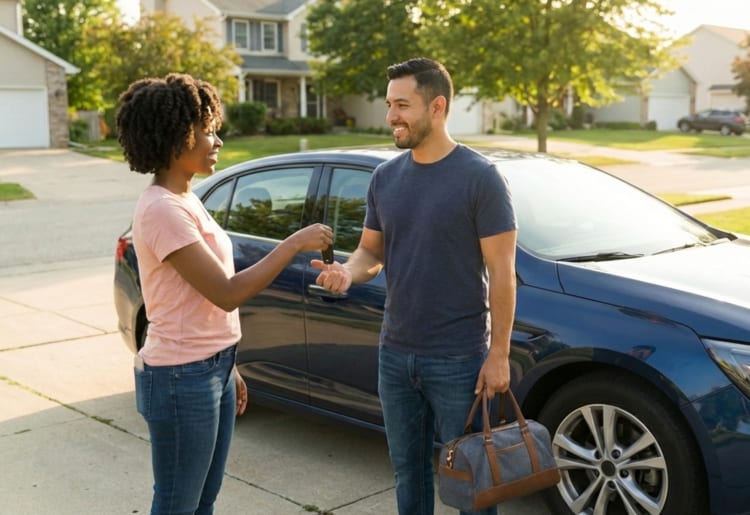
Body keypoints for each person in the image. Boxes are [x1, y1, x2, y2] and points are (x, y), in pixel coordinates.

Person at [116, 72, 332, 515]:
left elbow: (202, 305)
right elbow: (226, 292)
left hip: (210, 368)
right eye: (207, 129)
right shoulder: (161, 208)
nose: (217, 140)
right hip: (180, 377)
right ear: (176, 134)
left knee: (204, 501)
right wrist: (292, 244)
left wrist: (227, 366)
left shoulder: (186, 198)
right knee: (179, 503)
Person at [314, 58, 517, 515]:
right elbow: (371, 253)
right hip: (395, 352)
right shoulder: (386, 177)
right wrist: (348, 272)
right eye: (389, 104)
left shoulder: (480, 178)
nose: (391, 117)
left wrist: (499, 354)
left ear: (438, 106)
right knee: (408, 472)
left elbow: (502, 272)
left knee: (472, 482)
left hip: (459, 358)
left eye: (402, 105)